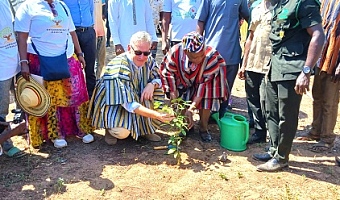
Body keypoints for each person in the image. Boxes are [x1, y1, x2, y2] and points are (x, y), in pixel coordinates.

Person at [252, 0, 325, 172]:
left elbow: (318, 35)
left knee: (287, 115)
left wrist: (306, 71)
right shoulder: (281, 3)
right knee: (270, 110)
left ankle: (282, 158)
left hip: (293, 68)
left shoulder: (303, 3)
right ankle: (273, 150)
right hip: (275, 64)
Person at [15, 0, 94, 148]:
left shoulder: (62, 5)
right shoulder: (27, 6)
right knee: (49, 98)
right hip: (40, 58)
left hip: (67, 56)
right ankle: (56, 133)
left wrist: (80, 53)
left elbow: (71, 32)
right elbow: (22, 37)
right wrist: (24, 62)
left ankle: (80, 129)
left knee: (75, 94)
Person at [88, 31, 174, 145]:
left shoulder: (149, 60)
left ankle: (145, 128)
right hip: (115, 102)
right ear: (129, 48)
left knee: (155, 89)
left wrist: (152, 84)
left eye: (146, 53)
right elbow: (129, 104)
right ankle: (110, 127)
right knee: (122, 132)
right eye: (138, 52)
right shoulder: (119, 67)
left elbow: (160, 78)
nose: (142, 57)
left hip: (134, 95)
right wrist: (157, 115)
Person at [160, 31, 228, 142]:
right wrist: (175, 101)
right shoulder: (174, 54)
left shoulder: (210, 57)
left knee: (207, 97)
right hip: (181, 78)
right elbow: (170, 81)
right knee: (178, 100)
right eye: (196, 57)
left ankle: (203, 128)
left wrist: (191, 109)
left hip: (206, 81)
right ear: (186, 52)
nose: (200, 59)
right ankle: (185, 125)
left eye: (202, 55)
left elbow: (203, 87)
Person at [296, 0, 340, 153]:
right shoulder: (326, 2)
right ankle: (315, 131)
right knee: (317, 96)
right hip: (322, 57)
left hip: (336, 60)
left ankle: (327, 138)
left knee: (330, 101)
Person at [196, 0, 249, 113]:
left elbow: (249, 17)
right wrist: (198, 45)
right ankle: (207, 118)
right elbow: (201, 21)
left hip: (232, 52)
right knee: (208, 88)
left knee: (226, 90)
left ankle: (222, 116)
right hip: (211, 52)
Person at [238, 0, 273, 144]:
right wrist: (244, 64)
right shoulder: (255, 8)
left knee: (268, 103)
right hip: (253, 62)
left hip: (269, 64)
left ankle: (273, 139)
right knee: (253, 99)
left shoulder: (280, 8)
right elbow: (250, 37)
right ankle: (259, 132)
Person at [0, 0, 26, 158]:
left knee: (22, 103)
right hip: (1, 67)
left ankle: (21, 133)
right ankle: (6, 144)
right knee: (1, 109)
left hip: (14, 61)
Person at [62, 0, 96, 98]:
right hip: (71, 34)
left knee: (90, 68)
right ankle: (75, 99)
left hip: (88, 32)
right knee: (73, 68)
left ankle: (92, 100)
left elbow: (90, 9)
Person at [94, 0, 106, 79]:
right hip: (90, 32)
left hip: (101, 31)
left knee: (101, 60)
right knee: (92, 62)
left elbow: (104, 8)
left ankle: (97, 81)